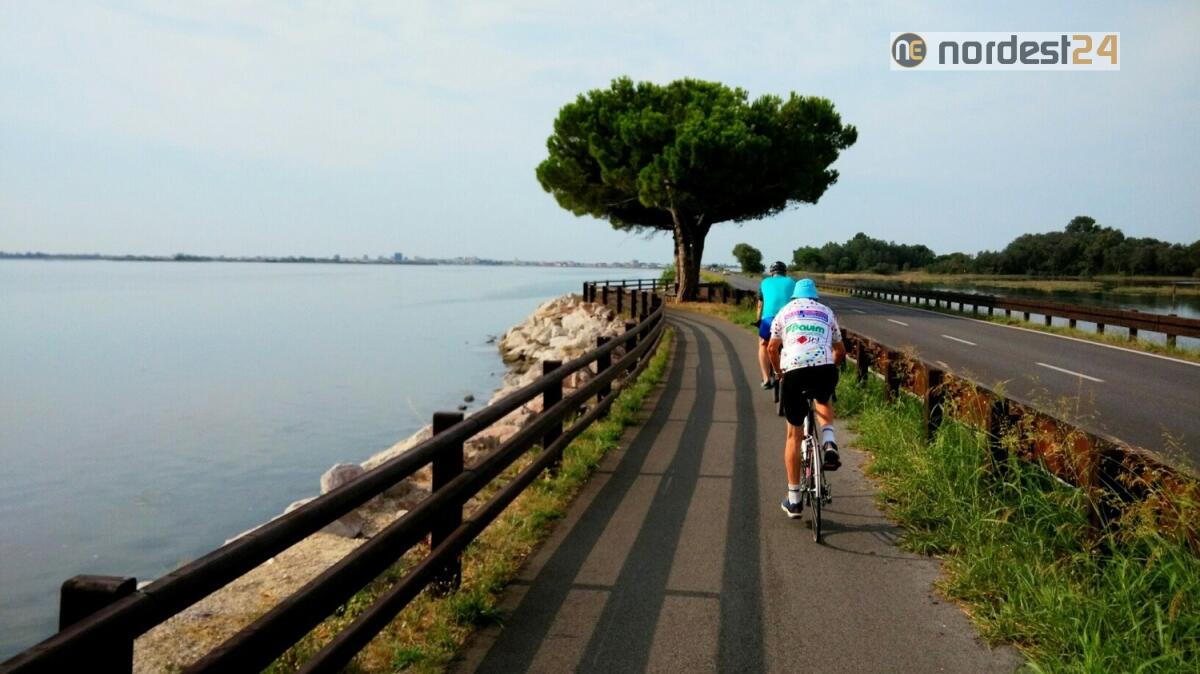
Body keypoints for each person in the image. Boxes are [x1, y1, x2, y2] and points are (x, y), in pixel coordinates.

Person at [767, 278, 846, 518]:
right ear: (815, 297)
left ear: (795, 297)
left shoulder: (784, 312)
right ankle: (829, 442)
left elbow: (771, 348)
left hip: (794, 372)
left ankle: (794, 501)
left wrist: (780, 373)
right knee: (823, 398)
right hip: (823, 369)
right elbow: (840, 351)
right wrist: (828, 366)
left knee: (794, 433)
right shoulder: (826, 312)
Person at [755, 261, 795, 389]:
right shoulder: (792, 282)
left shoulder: (765, 282)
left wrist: (758, 321)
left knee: (763, 344)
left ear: (772, 273)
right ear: (785, 272)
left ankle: (766, 379)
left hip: (769, 319)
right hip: (789, 319)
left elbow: (760, 305)